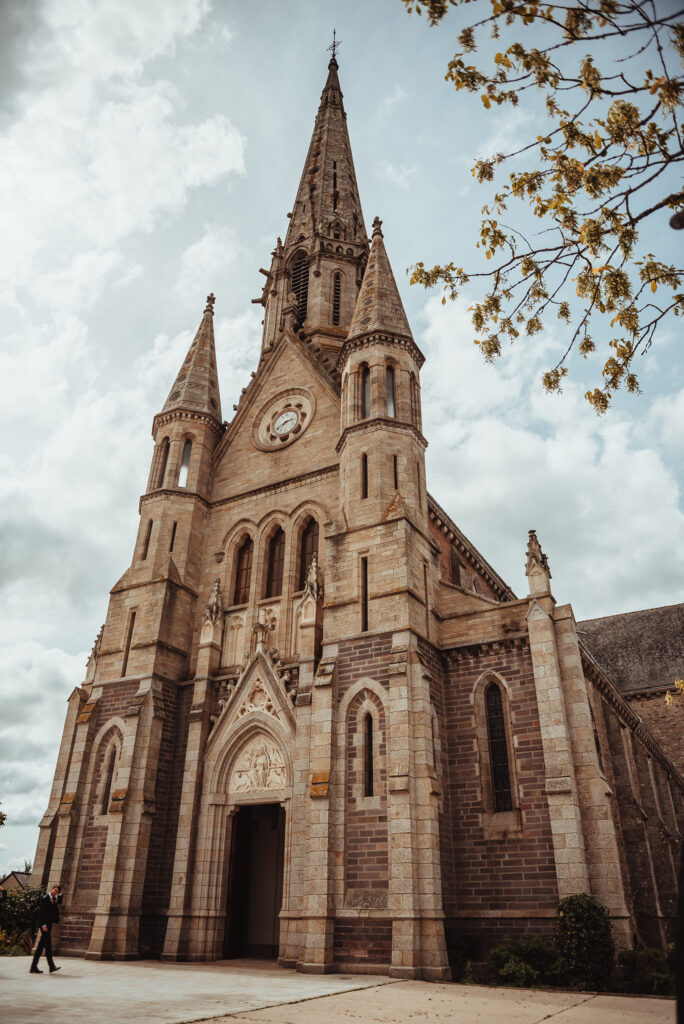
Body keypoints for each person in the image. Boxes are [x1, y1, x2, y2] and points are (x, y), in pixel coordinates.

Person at [30, 884, 62, 974]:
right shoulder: (45, 898)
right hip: (44, 926)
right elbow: (41, 913)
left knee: (40, 947)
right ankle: (51, 966)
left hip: (49, 925)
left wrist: (60, 894)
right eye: (55, 890)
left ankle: (33, 967)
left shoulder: (54, 900)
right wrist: (43, 925)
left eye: (57, 892)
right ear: (51, 889)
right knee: (48, 946)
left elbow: (60, 902)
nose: (55, 892)